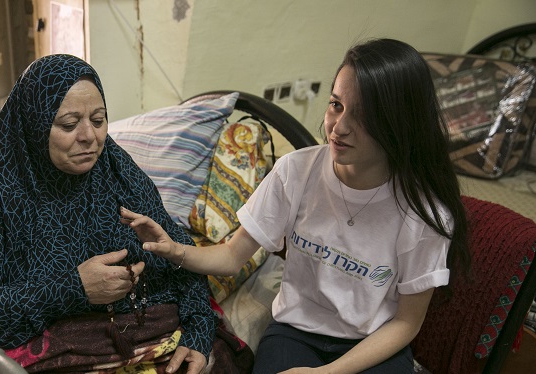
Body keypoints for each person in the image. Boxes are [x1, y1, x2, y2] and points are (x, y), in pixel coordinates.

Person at [121, 38, 470, 373]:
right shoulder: (296, 171)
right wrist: (173, 248)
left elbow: (407, 323)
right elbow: (230, 256)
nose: (338, 127)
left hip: (373, 342)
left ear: (399, 122)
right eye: (336, 105)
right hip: (296, 332)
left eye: (362, 116)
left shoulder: (424, 213)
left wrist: (330, 372)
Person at [0, 54, 223, 373]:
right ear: (35, 123)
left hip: (132, 331)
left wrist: (198, 331)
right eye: (68, 124)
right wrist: (74, 288)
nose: (89, 137)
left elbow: (180, 256)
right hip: (29, 343)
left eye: (98, 120)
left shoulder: (119, 172)